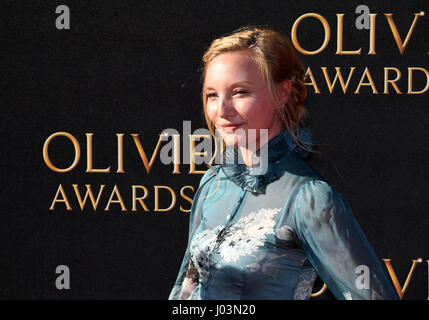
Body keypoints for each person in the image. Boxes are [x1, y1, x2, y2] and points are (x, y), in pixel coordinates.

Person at [168, 26, 399, 300]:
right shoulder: (213, 185)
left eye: (240, 92)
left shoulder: (309, 198)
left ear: (282, 92)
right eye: (212, 95)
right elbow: (184, 291)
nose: (222, 110)